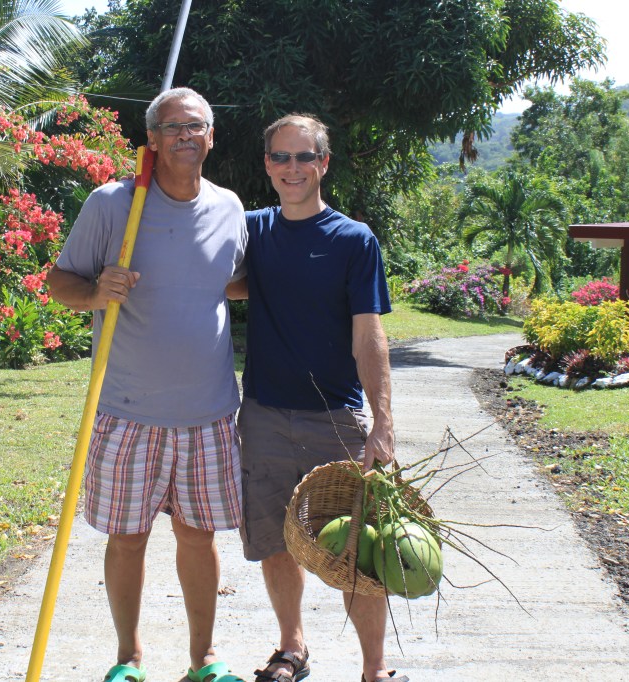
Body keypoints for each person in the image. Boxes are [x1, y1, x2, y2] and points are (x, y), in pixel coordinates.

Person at [47, 87, 247, 682]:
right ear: (152, 140)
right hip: (125, 409)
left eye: (196, 126)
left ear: (211, 137)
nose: (186, 135)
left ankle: (203, 660)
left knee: (198, 533)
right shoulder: (113, 206)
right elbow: (59, 282)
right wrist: (94, 291)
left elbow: (229, 281)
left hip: (208, 411)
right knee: (127, 538)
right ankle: (128, 659)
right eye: (172, 126)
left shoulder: (230, 207)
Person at [234, 114, 404, 682]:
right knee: (277, 541)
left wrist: (381, 422)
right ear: (267, 165)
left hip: (335, 419)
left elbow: (369, 334)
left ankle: (374, 669)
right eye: (281, 157)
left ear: (324, 163)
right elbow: (203, 262)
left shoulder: (353, 239)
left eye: (304, 157)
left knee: (357, 548)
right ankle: (292, 648)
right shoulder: (253, 230)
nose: (292, 168)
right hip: (261, 415)